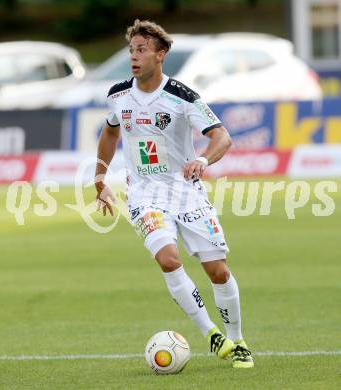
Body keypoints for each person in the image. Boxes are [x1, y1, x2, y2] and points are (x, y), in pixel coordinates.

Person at [95, 19, 253, 368]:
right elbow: (109, 134)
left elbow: (222, 137)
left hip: (186, 192)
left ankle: (237, 339)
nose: (134, 56)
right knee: (168, 260)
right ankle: (212, 334)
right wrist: (100, 177)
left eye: (142, 50)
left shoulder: (182, 97)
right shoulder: (118, 96)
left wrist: (200, 159)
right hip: (144, 195)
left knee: (218, 272)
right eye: (131, 50)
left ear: (161, 54)